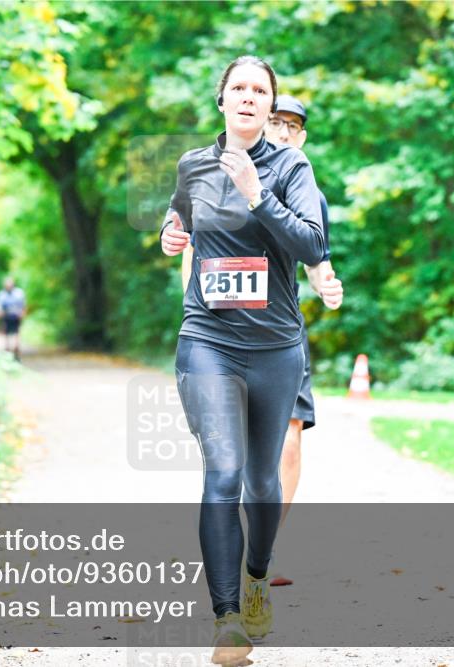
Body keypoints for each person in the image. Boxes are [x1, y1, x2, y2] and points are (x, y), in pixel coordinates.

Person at [160, 55, 327, 666]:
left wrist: (259, 197)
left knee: (261, 481)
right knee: (223, 473)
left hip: (275, 346)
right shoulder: (194, 164)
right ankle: (227, 619)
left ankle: (257, 575)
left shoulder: (291, 167)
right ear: (222, 100)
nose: (249, 97)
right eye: (239, 88)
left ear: (269, 104)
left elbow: (313, 242)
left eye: (260, 90)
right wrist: (171, 234)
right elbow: (180, 216)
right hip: (208, 337)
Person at [264, 95, 343, 587]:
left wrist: (326, 284)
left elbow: (317, 260)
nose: (284, 131)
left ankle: (265, 549)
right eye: (276, 121)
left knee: (290, 440)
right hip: (228, 329)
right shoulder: (227, 176)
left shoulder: (310, 194)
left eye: (293, 126)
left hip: (284, 327)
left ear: (303, 138)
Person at [0, 277, 26, 361]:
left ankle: (16, 354)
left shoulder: (19, 293)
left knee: (16, 336)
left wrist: (22, 313)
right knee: (6, 336)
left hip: (16, 317)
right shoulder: (1, 294)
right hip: (6, 317)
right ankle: (7, 355)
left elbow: (23, 305)